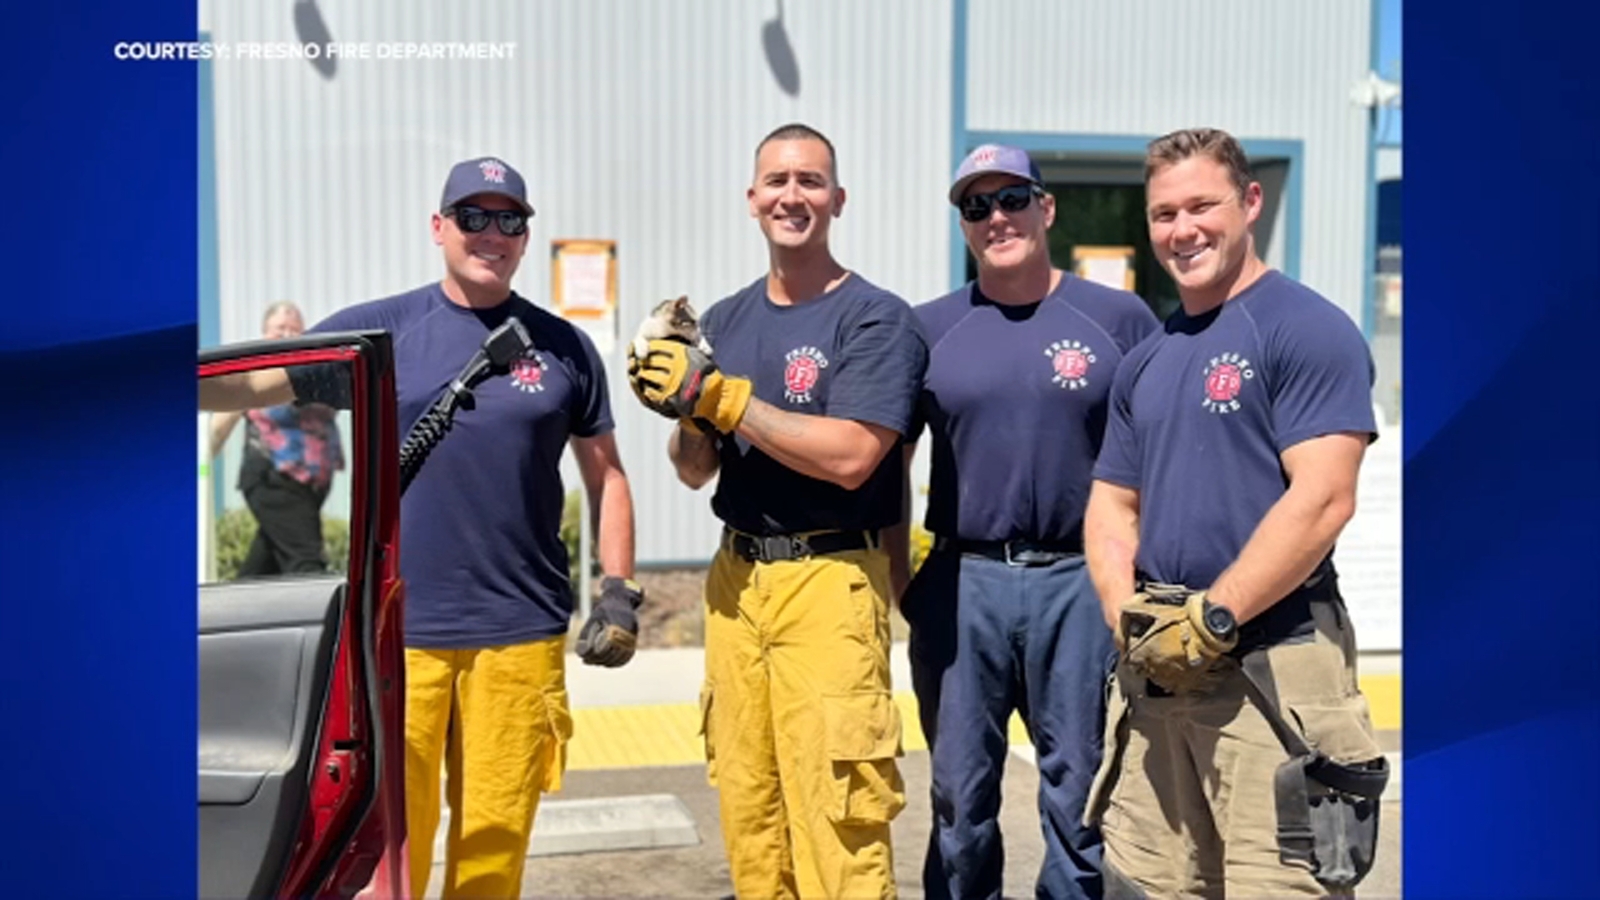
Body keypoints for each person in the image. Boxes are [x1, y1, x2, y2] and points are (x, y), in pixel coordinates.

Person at [198, 156, 642, 900]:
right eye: (473, 216)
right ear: (439, 228)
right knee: (386, 864)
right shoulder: (380, 333)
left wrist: (619, 589)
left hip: (520, 637)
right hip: (399, 639)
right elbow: (248, 383)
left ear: (526, 237)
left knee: (492, 860)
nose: (491, 233)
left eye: (510, 219)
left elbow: (609, 474)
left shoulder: (563, 346)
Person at [627, 123, 927, 900]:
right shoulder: (723, 321)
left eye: (810, 181)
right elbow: (696, 473)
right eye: (777, 181)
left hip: (830, 582)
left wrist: (720, 398)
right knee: (750, 806)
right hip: (735, 584)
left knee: (839, 817)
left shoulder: (875, 318)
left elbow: (855, 454)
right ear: (752, 199)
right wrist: (681, 408)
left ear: (837, 199)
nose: (792, 196)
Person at [1083, 128, 1385, 897]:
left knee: (1280, 883)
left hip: (1271, 667)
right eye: (1162, 214)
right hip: (1158, 678)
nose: (1181, 230)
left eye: (1201, 206)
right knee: (1143, 884)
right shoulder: (1149, 357)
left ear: (1250, 202)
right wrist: (1127, 616)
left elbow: (1322, 498)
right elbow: (1114, 505)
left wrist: (1215, 617)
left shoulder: (1304, 328)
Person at [902, 144, 1159, 900]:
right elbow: (883, 460)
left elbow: (1158, 451)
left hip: (1079, 581)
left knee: (1079, 795)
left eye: (1012, 199)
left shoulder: (1119, 319)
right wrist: (900, 579)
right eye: (976, 207)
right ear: (963, 226)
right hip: (962, 579)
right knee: (958, 797)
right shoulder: (928, 329)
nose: (997, 218)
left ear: (1046, 208)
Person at [209, 300, 345, 576]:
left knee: (263, 564)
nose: (286, 334)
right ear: (264, 333)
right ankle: (317, 615)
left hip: (310, 487)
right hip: (274, 479)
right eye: (279, 328)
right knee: (306, 562)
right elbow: (222, 421)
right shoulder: (259, 372)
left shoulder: (312, 370)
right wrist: (200, 462)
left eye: (294, 329)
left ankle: (237, 610)